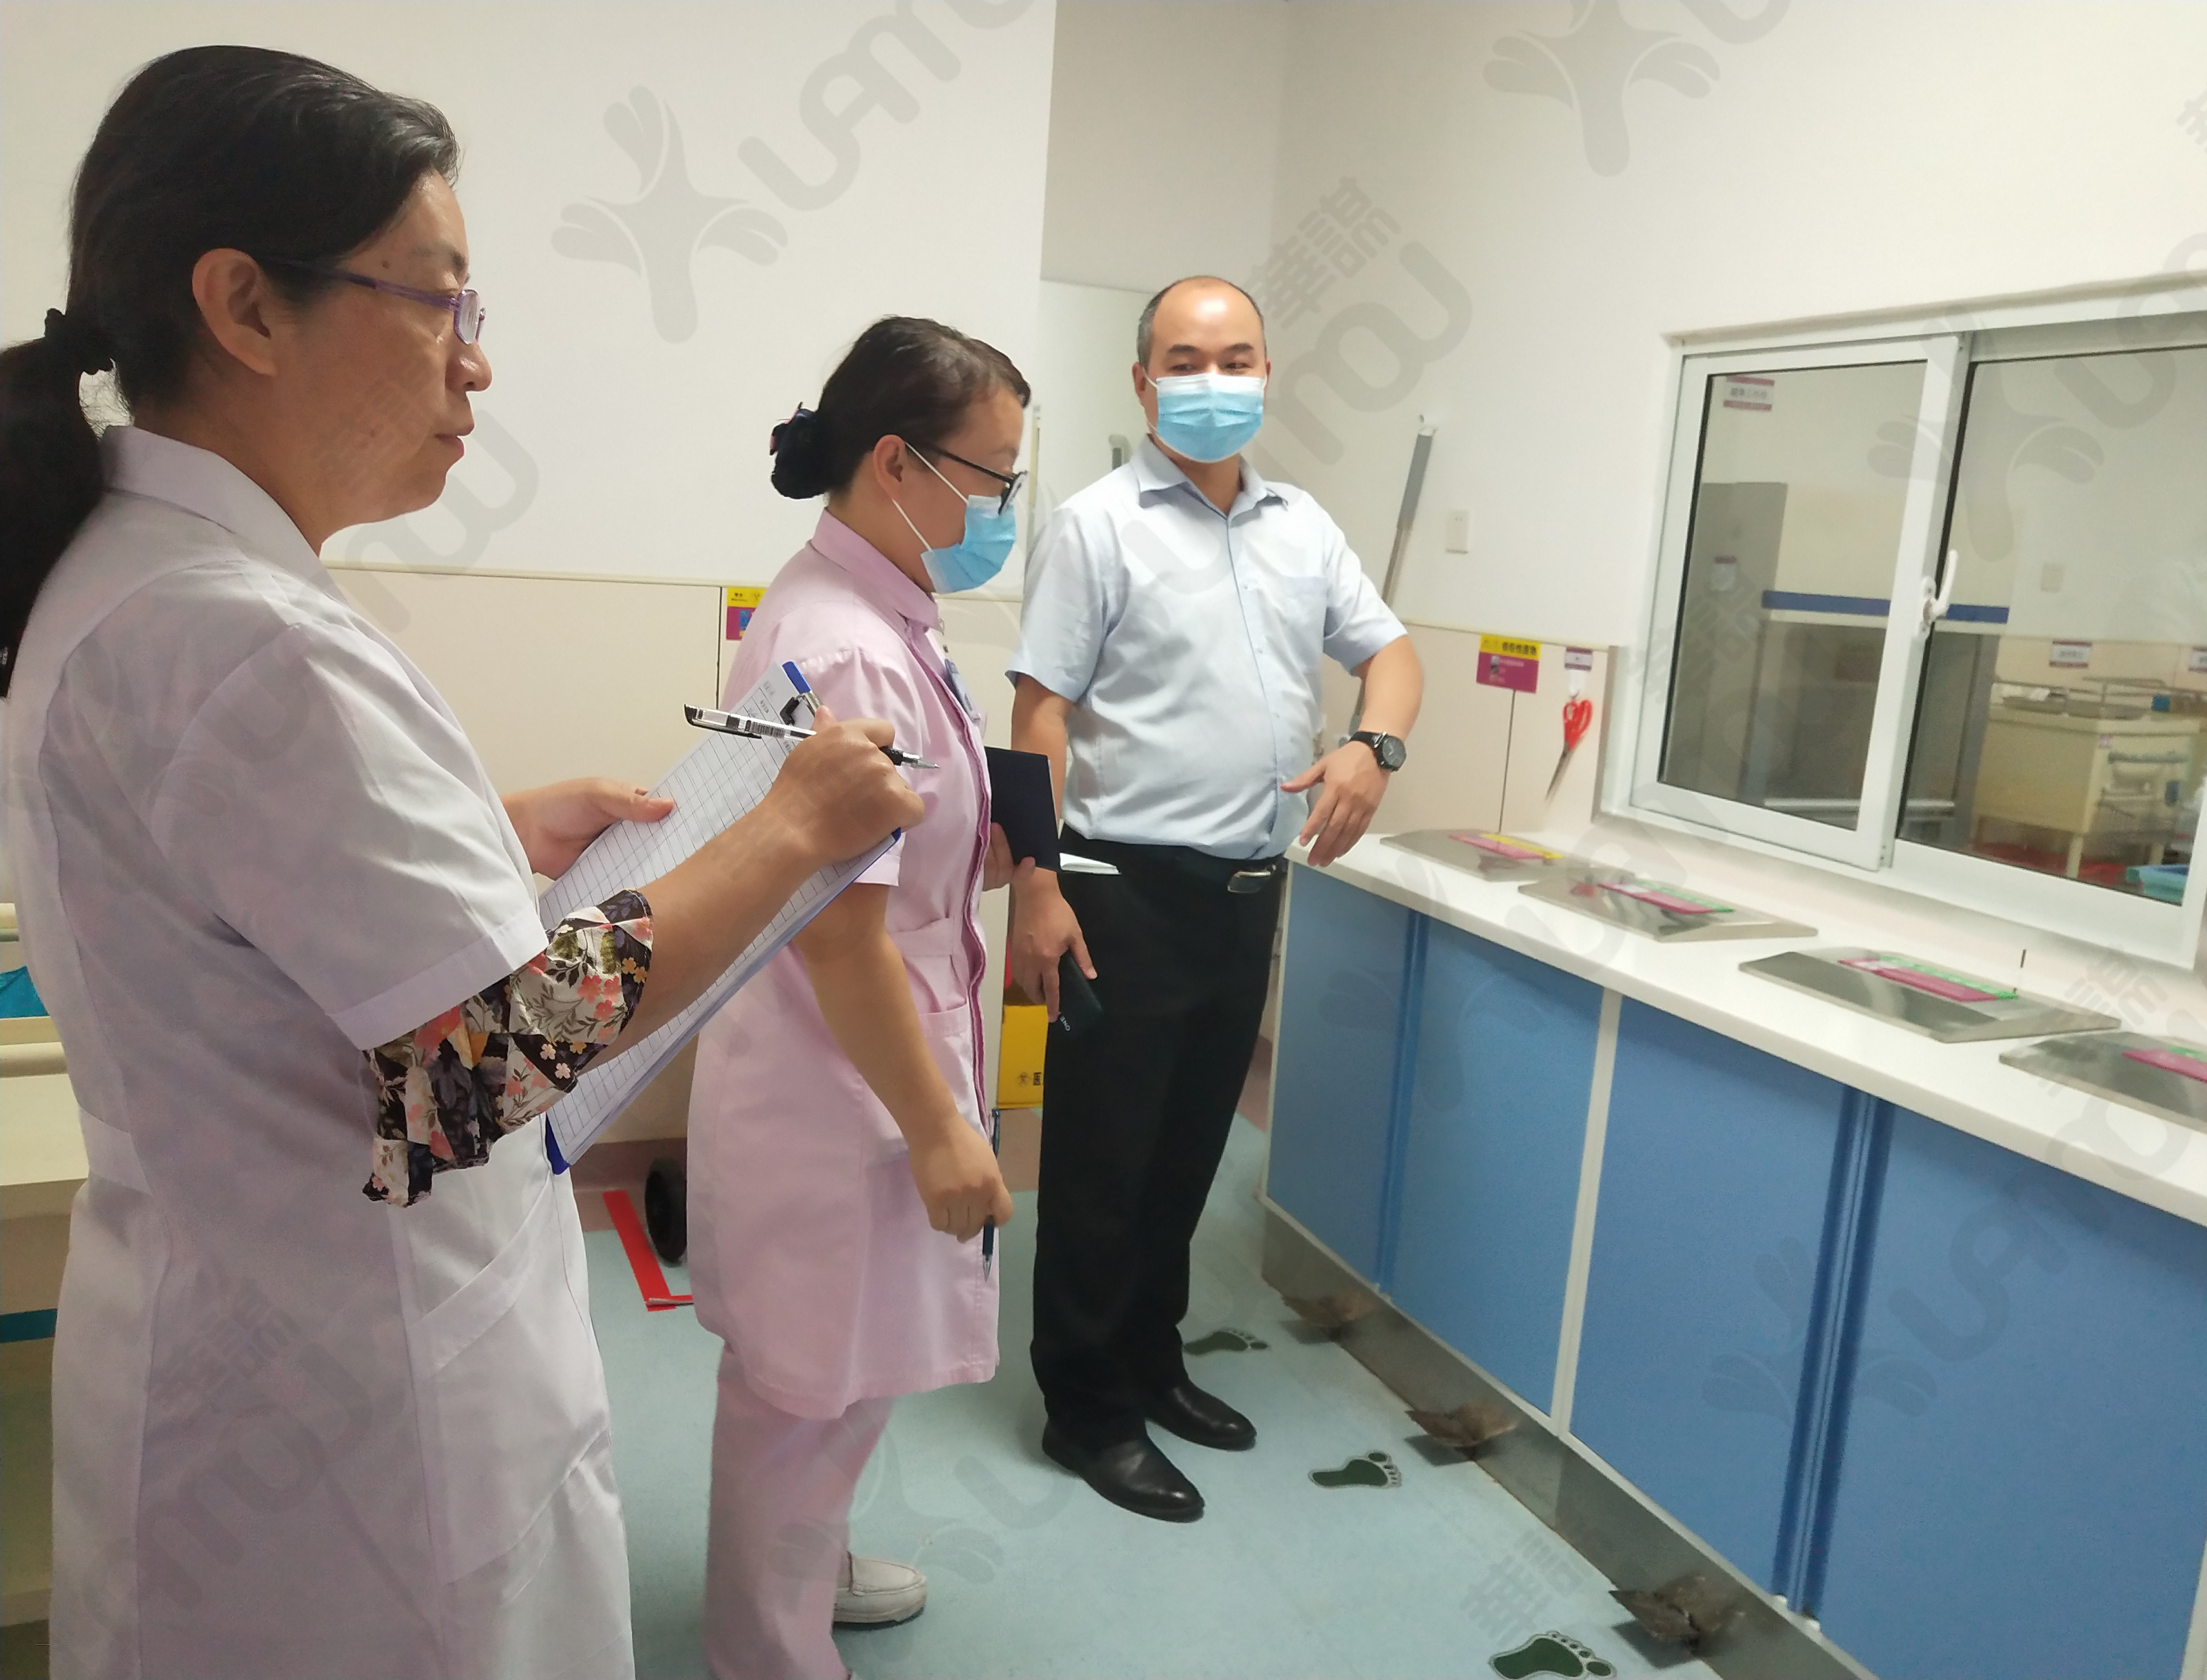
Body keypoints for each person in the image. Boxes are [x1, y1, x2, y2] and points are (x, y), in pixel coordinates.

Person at [0, 47, 921, 1680]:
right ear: (247, 306)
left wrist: (487, 833)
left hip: (251, 1351)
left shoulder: (134, 583)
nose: (475, 363)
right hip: (353, 1430)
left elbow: (227, 897)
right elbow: (483, 1067)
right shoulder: (247, 640)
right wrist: (790, 828)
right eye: (439, 302)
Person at [1007, 274, 1423, 1521]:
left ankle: (1151, 1361)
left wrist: (1372, 748)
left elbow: (1390, 654)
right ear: (1143, 383)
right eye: (1185, 361)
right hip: (1119, 891)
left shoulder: (1303, 526)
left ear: (1267, 373)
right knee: (1102, 1166)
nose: (1213, 380)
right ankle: (1085, 1409)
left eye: (1236, 358)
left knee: (1189, 1152)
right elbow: (1039, 714)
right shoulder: (1095, 526)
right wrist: (1036, 878)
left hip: (1247, 893)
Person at [688, 317, 1023, 1680]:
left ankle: (809, 1576)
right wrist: (942, 1130)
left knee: (839, 1373)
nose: (1005, 511)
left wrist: (987, 841)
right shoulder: (852, 651)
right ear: (897, 463)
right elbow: (840, 938)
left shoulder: (870, 612)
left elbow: (889, 853)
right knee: (803, 1392)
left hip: (851, 1058)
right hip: (844, 1080)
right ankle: (763, 1650)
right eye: (994, 479)